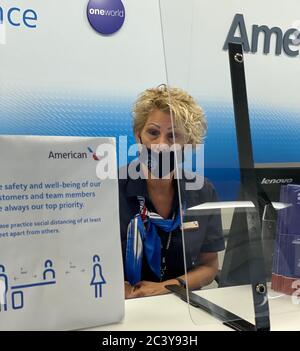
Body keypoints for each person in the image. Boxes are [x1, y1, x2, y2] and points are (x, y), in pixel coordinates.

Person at [118, 85, 225, 299]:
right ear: (138, 135)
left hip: (179, 304)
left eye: (173, 136)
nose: (161, 146)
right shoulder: (111, 189)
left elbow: (209, 266)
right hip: (123, 306)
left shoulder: (203, 191)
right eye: (153, 132)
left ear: (188, 143)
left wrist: (166, 287)